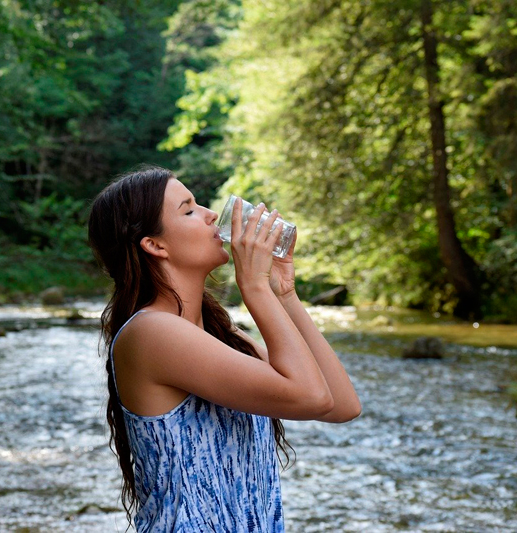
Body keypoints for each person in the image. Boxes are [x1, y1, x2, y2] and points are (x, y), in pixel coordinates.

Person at [87, 164, 361, 532]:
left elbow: (341, 404)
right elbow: (311, 397)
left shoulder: (219, 333)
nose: (211, 215)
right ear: (155, 245)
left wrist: (284, 293)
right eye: (188, 210)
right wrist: (256, 288)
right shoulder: (152, 333)